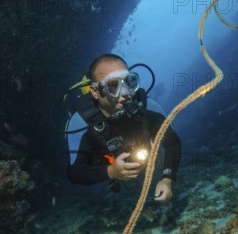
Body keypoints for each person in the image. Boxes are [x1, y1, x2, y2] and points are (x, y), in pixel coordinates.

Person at [66, 54, 181, 201]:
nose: (126, 92)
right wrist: (110, 172)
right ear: (95, 92)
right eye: (112, 86)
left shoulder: (149, 108)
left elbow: (172, 143)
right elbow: (74, 172)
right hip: (106, 168)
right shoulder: (80, 122)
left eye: (129, 82)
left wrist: (167, 178)